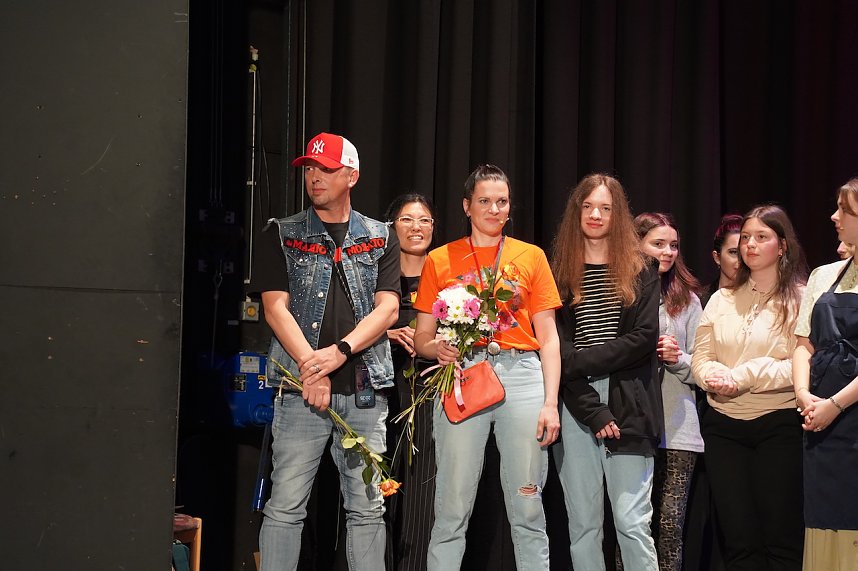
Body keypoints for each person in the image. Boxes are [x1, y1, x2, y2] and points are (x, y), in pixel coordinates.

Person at [254, 132, 401, 571]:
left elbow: (389, 307)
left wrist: (338, 353)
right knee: (285, 506)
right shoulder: (281, 233)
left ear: (351, 176)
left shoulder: (380, 235)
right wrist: (310, 370)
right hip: (301, 392)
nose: (315, 177)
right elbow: (275, 308)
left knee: (367, 508)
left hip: (363, 389)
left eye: (327, 169)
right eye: (310, 169)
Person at [412, 164, 561, 571]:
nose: (494, 209)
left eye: (502, 202)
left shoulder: (531, 256)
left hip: (522, 375)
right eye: (484, 201)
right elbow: (423, 336)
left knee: (528, 506)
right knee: (452, 504)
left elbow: (548, 336)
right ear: (467, 206)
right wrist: (436, 348)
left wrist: (550, 403)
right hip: (464, 374)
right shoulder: (440, 259)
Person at [550, 173, 662, 571]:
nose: (596, 215)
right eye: (588, 206)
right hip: (575, 402)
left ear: (619, 216)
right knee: (582, 526)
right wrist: (590, 407)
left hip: (630, 401)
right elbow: (554, 346)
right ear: (576, 211)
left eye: (606, 208)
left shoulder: (643, 268)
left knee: (632, 524)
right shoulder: (556, 270)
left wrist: (574, 362)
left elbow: (643, 340)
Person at [691, 204, 808, 570]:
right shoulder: (721, 299)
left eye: (761, 237)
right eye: (745, 238)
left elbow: (799, 366)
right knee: (739, 541)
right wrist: (711, 377)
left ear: (783, 245)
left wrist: (742, 376)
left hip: (779, 425)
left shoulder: (801, 299)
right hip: (724, 427)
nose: (750, 245)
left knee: (780, 537)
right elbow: (701, 355)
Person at [793, 178, 858, 570]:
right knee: (824, 517)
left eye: (845, 210)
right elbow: (803, 343)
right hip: (821, 420)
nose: (834, 217)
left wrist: (836, 404)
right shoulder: (823, 275)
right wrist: (804, 395)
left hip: (847, 411)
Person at [634, 212, 704, 571]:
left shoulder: (688, 300)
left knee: (669, 528)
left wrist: (678, 358)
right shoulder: (624, 293)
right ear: (637, 245)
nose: (668, 252)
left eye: (673, 245)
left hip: (678, 430)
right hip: (633, 425)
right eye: (658, 244)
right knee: (632, 526)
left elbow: (703, 368)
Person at [383, 193, 437, 571]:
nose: (416, 228)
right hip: (384, 389)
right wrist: (387, 333)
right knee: (378, 483)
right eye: (407, 220)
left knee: (424, 488)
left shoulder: (447, 274)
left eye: (424, 221)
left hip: (432, 389)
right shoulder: (375, 275)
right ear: (391, 227)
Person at [700, 213, 743, 308]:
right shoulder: (699, 300)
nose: (741, 260)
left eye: (745, 253)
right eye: (733, 252)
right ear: (717, 257)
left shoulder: (761, 300)